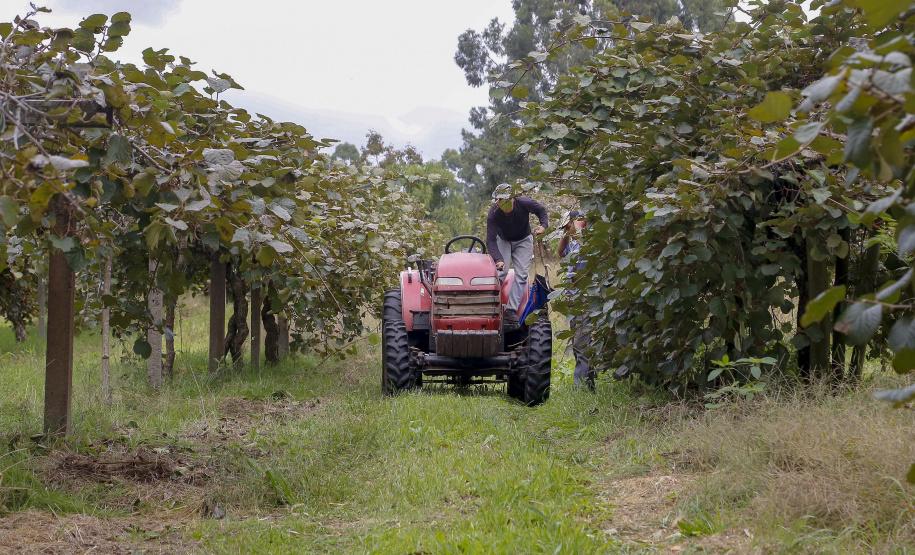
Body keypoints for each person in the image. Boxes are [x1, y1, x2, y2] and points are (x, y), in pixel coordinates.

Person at [486, 184, 548, 331]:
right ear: (497, 202)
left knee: (521, 274)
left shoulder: (525, 202)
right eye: (501, 201)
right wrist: (498, 258)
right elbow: (490, 240)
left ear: (513, 198)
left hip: (523, 239)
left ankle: (511, 310)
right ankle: (489, 305)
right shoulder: (493, 214)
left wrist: (543, 225)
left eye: (508, 200)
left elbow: (541, 210)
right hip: (504, 240)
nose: (505, 204)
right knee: (501, 271)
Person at [557, 209, 594, 390]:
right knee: (579, 342)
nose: (567, 230)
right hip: (574, 299)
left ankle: (581, 388)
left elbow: (590, 252)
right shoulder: (572, 245)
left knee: (581, 343)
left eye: (567, 226)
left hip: (586, 298)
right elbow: (560, 251)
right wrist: (566, 233)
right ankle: (589, 384)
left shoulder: (589, 239)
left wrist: (579, 230)